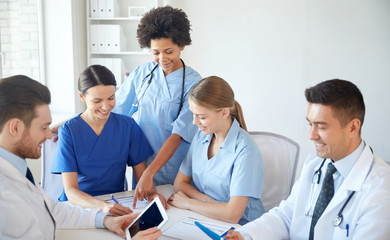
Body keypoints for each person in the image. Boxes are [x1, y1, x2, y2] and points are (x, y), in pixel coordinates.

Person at [0, 75, 162, 239]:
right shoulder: (6, 195)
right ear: (15, 127)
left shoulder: (17, 173)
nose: (50, 136)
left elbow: (53, 211)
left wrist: (106, 221)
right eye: (43, 127)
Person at [225, 79, 390, 240]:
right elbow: (287, 215)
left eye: (321, 127)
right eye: (310, 124)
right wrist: (245, 235)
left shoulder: (381, 191)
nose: (312, 136)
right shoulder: (315, 164)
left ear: (353, 127)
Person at [112, 6, 202, 206]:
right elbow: (115, 109)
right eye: (155, 52)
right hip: (142, 167)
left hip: (176, 171)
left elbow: (179, 134)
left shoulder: (194, 84)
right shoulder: (142, 73)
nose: (162, 59)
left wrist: (150, 173)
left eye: (168, 51)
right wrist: (75, 122)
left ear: (182, 45)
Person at [50, 65, 165, 216]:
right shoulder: (69, 131)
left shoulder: (127, 126)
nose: (106, 107)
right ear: (82, 97)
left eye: (111, 98)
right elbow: (71, 192)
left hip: (117, 203)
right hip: (79, 207)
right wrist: (103, 206)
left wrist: (152, 195)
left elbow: (142, 176)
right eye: (97, 101)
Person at [167, 76, 265, 225]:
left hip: (242, 227)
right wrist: (211, 203)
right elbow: (180, 183)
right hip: (207, 218)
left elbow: (232, 214)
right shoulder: (201, 136)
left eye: (201, 117)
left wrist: (189, 203)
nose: (194, 122)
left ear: (224, 113)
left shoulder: (245, 149)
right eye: (193, 115)